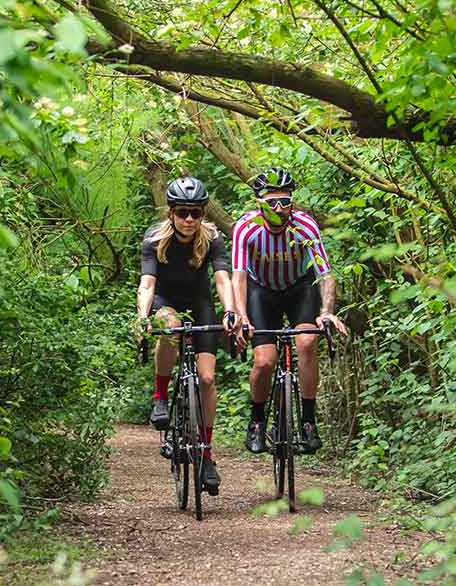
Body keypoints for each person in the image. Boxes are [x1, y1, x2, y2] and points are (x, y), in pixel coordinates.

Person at [134, 176, 238, 495]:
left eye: (195, 212)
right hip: (167, 302)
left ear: (203, 212)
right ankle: (161, 397)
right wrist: (142, 317)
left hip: (200, 304)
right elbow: (148, 284)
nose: (189, 219)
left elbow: (222, 279)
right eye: (182, 212)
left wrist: (231, 310)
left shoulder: (212, 238)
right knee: (168, 326)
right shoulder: (154, 239)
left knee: (207, 380)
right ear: (171, 214)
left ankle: (206, 453)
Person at [231, 167, 346, 455]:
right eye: (272, 203)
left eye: (285, 201)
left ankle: (308, 420)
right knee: (264, 361)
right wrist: (241, 316)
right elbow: (239, 277)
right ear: (259, 204)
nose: (280, 209)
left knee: (307, 341)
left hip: (298, 287)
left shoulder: (305, 225)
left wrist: (327, 311)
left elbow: (325, 273)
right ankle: (257, 421)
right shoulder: (246, 228)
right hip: (261, 291)